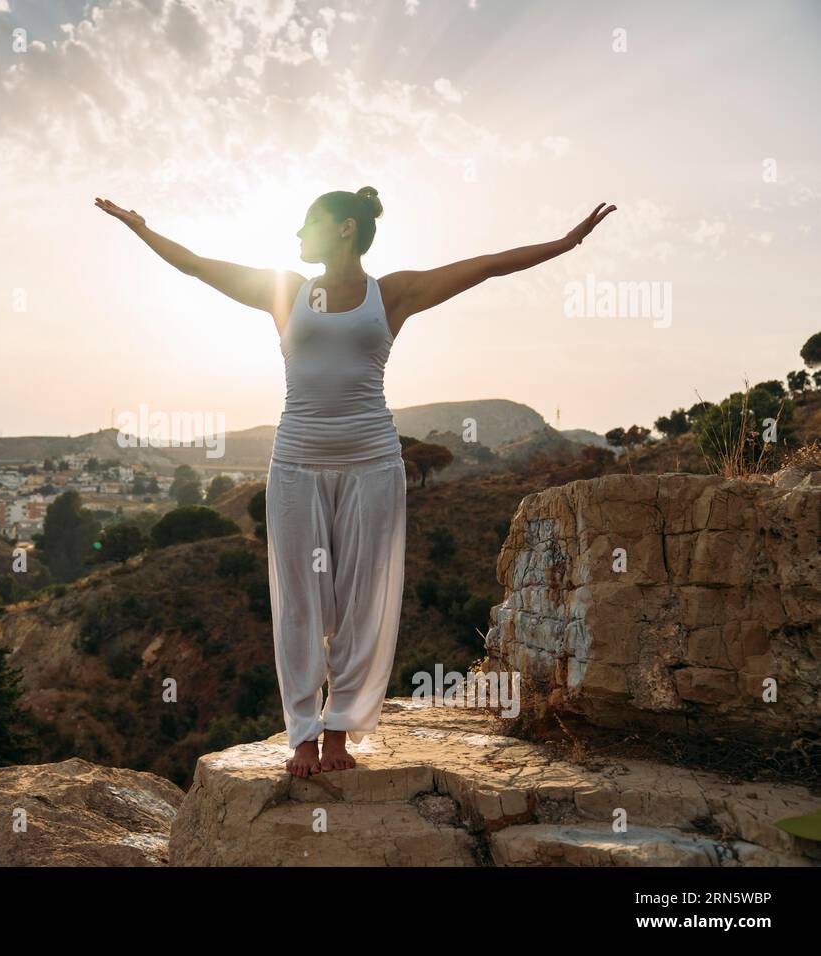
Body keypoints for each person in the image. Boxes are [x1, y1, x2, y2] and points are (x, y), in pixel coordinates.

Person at [95, 189, 615, 776]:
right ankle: (302, 734)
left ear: (345, 229)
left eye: (308, 223)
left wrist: (567, 243)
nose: (297, 235)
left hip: (372, 462)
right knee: (300, 601)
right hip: (295, 463)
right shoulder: (286, 290)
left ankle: (339, 729)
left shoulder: (390, 293)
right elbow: (196, 265)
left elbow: (489, 266)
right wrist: (141, 227)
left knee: (360, 599)